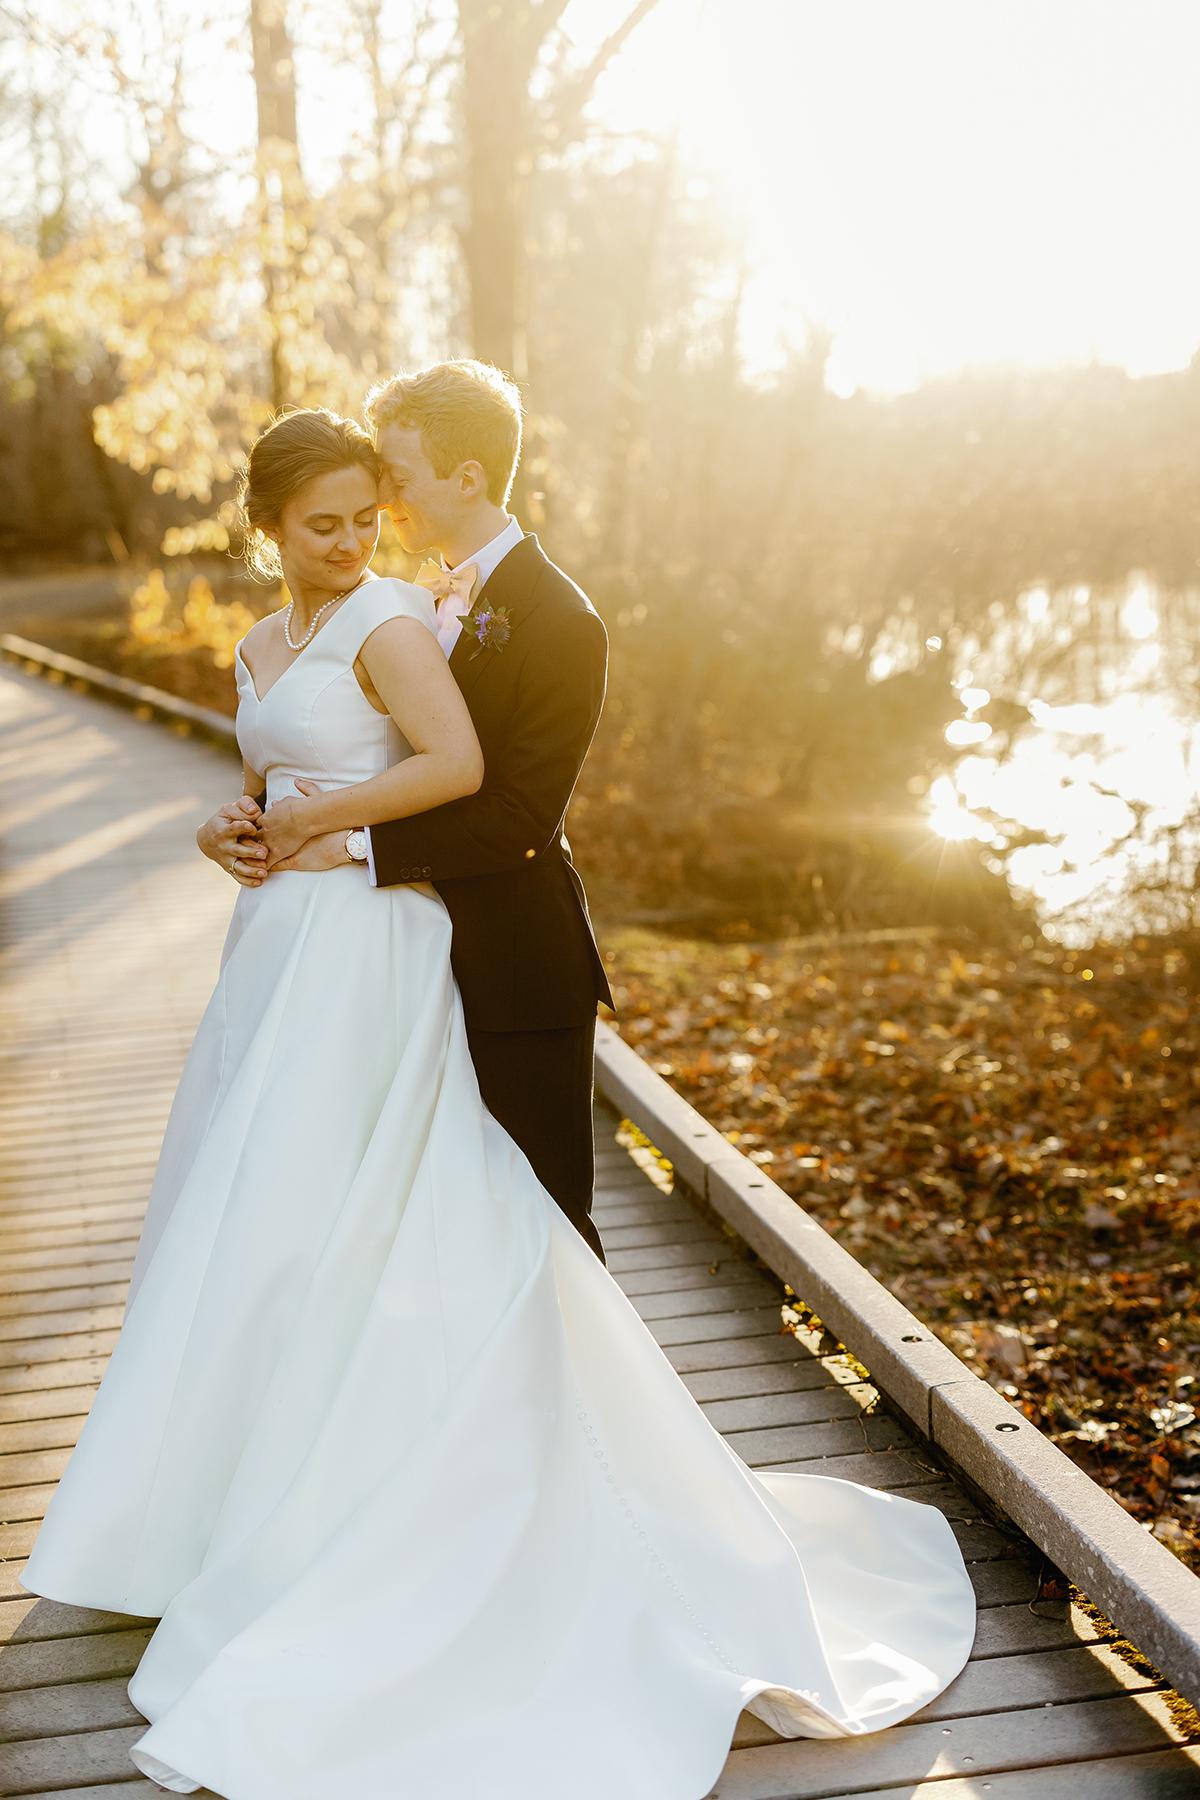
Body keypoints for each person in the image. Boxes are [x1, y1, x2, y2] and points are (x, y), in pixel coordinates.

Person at [19, 401, 976, 1799]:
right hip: (278, 950)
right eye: (324, 521)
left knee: (389, 1212)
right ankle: (225, 1509)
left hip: (373, 942)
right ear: (265, 527)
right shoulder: (262, 638)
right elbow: (267, 770)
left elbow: (472, 779)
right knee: (255, 1212)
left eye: (367, 511)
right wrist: (232, 825)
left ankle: (476, 1502)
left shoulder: (398, 620)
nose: (352, 538)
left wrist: (318, 831)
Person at [200, 360, 613, 1263]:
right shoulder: (411, 601)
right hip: (396, 954)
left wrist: (345, 840)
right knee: (417, 1226)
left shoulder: (558, 620)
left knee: (541, 1226)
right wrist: (236, 822)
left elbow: (517, 819)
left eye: (396, 475)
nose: (382, 501)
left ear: (465, 478)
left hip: (511, 960)